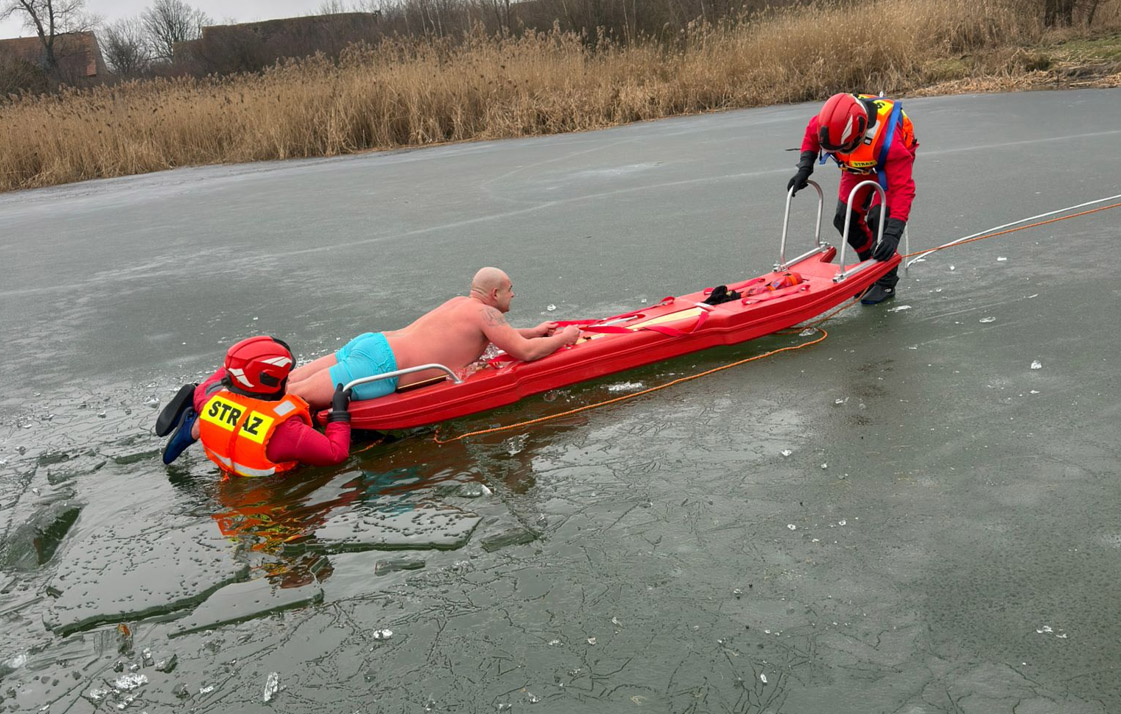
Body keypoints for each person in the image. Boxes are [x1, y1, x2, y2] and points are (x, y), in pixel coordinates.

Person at [286, 267, 582, 409]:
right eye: (510, 289)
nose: (513, 294)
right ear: (495, 294)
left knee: (284, 383)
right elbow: (526, 353)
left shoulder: (461, 304)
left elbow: (499, 337)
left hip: (372, 344)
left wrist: (534, 331)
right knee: (291, 399)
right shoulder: (487, 315)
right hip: (383, 366)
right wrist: (565, 337)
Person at [786, 92, 918, 304]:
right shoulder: (827, 123)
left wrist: (893, 234)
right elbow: (811, 136)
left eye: (840, 148)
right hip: (855, 167)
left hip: (886, 165)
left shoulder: (889, 141)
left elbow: (903, 189)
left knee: (880, 221)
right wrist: (805, 167)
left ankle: (885, 282)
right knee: (844, 219)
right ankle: (867, 270)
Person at [156, 336, 352, 474]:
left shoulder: (215, 401)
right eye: (285, 377)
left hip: (212, 410)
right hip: (263, 484)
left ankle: (194, 421)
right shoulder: (287, 431)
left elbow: (235, 373)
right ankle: (193, 425)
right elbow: (336, 453)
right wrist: (339, 413)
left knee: (207, 393)